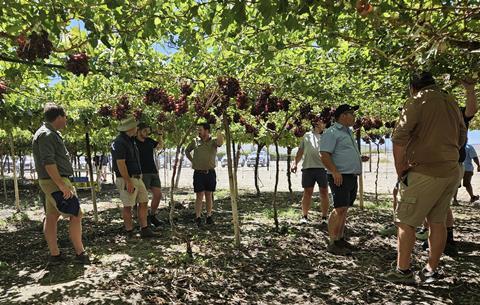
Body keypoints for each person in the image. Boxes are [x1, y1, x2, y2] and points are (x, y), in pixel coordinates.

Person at [388, 72, 466, 284]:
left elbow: (399, 137)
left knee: (406, 221)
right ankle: (431, 269)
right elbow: (462, 138)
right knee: (437, 221)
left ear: (413, 87)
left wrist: (401, 168)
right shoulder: (450, 101)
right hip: (450, 171)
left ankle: (402, 271)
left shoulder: (416, 100)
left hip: (424, 171)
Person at [32, 103, 89, 264]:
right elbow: (48, 162)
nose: (66, 121)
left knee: (52, 216)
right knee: (76, 214)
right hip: (56, 181)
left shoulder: (48, 133)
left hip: (52, 181)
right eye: (65, 117)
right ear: (59, 117)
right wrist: (61, 185)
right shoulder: (47, 135)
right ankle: (80, 253)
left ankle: (55, 255)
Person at [320, 104, 369, 255]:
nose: (354, 117)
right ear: (342, 116)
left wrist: (358, 159)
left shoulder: (348, 132)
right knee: (339, 208)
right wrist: (334, 171)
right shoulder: (332, 132)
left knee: (345, 208)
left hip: (350, 176)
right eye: (351, 114)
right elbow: (324, 154)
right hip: (340, 176)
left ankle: (340, 239)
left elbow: (342, 152)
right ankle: (333, 242)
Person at [111, 116, 156, 238]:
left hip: (137, 178)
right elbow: (120, 163)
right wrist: (127, 181)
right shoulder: (119, 142)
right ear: (130, 128)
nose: (137, 128)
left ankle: (144, 228)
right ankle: (129, 231)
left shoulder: (131, 140)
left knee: (143, 201)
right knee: (128, 206)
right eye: (135, 126)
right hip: (127, 178)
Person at [291, 116, 330, 225]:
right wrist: (294, 163)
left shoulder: (327, 136)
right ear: (315, 123)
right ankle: (304, 216)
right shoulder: (307, 136)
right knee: (307, 192)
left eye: (323, 122)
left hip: (323, 169)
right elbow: (300, 151)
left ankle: (324, 218)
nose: (322, 123)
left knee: (324, 192)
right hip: (308, 168)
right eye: (320, 121)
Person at [185, 122, 224, 227]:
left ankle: (209, 216)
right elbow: (187, 151)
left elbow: (220, 142)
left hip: (210, 172)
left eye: (200, 130)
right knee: (199, 195)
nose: (198, 131)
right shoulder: (195, 141)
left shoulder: (213, 141)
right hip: (198, 173)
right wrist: (193, 160)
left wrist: (219, 130)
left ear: (207, 131)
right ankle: (197, 217)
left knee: (208, 194)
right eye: (198, 130)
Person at [135, 123, 164, 227]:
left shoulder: (149, 141)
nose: (147, 133)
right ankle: (144, 221)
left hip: (153, 171)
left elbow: (160, 146)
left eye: (148, 131)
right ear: (138, 130)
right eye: (144, 131)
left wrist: (160, 135)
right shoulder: (133, 142)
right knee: (143, 199)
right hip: (142, 173)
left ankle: (152, 215)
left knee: (158, 195)